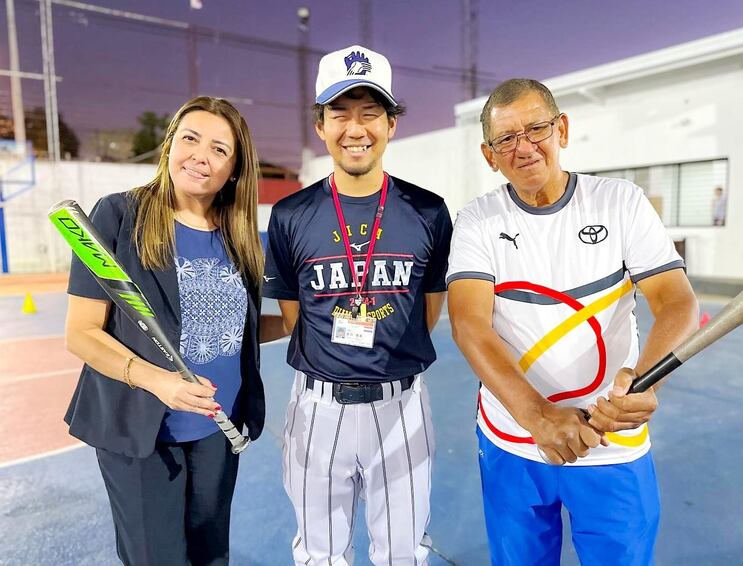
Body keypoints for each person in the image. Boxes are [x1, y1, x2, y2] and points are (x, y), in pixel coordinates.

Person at [447, 79, 698, 565]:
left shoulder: (620, 202)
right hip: (513, 440)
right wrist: (538, 417)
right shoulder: (477, 220)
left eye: (536, 128)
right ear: (488, 154)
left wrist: (648, 378)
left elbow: (676, 301)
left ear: (562, 129)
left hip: (611, 442)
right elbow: (469, 323)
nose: (524, 147)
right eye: (506, 139)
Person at [64, 96, 286, 565]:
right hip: (144, 432)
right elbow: (82, 333)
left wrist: (294, 322)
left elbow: (230, 327)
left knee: (210, 556)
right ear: (169, 146)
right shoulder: (119, 216)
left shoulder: (239, 235)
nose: (201, 156)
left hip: (216, 431)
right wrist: (159, 382)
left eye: (220, 149)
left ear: (234, 169)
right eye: (190, 138)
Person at [262, 45, 453, 565]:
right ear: (320, 126)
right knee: (319, 554)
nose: (355, 128)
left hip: (404, 404)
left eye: (370, 113)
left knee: (404, 554)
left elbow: (427, 311)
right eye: (339, 113)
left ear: (392, 124)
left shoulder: (429, 211)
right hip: (317, 406)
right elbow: (296, 318)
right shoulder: (290, 215)